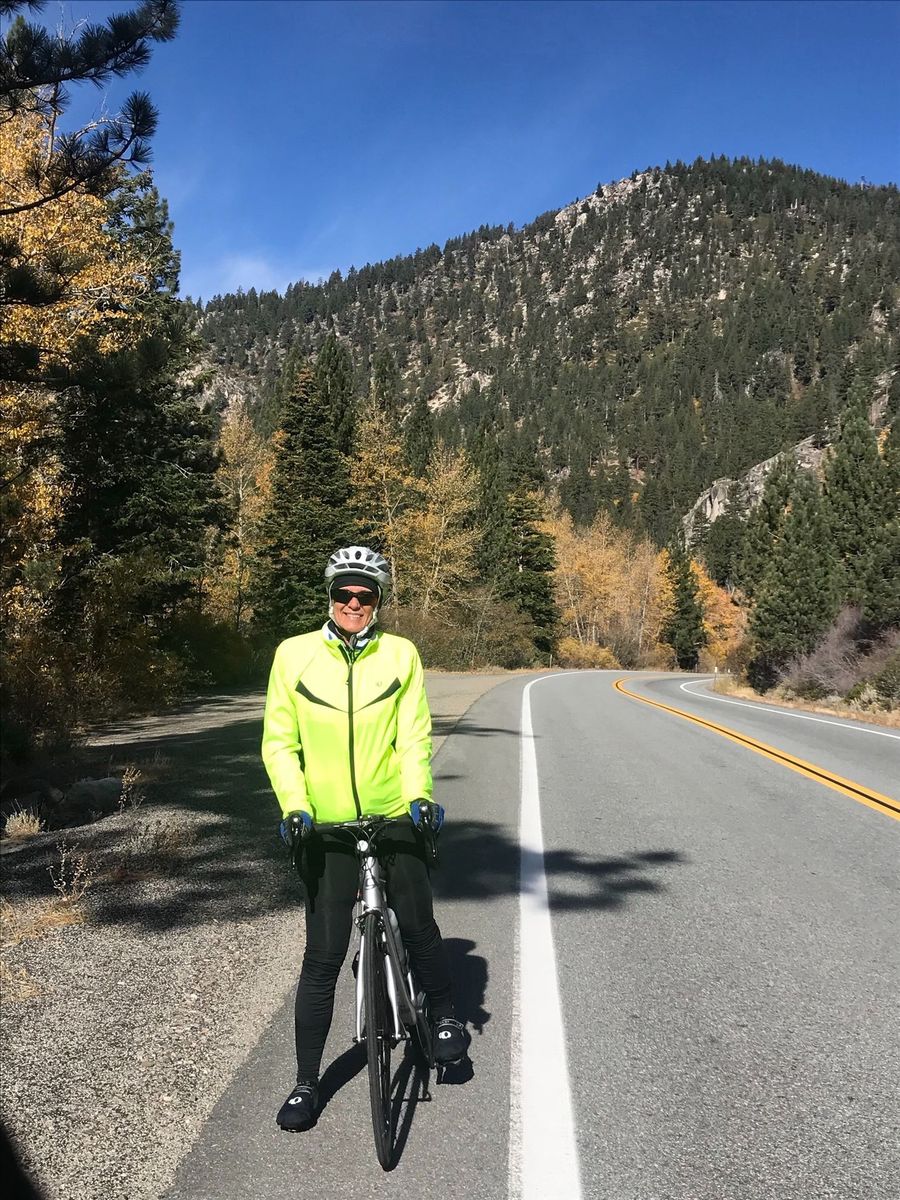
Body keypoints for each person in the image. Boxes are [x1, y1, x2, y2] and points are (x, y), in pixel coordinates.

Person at [262, 545, 469, 1131]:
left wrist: (419, 796)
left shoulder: (401, 654)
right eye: (343, 593)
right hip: (323, 825)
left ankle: (445, 1016)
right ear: (329, 596)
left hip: (393, 813)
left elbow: (413, 737)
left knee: (420, 925)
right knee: (322, 959)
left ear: (378, 601)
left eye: (365, 595)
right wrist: (295, 806)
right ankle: (306, 1084)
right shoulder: (294, 655)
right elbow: (280, 743)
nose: (353, 604)